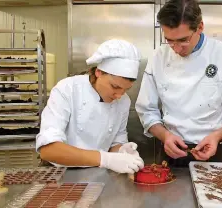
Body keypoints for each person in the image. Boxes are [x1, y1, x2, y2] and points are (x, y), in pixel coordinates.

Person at [135, 0, 222, 167]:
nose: (176, 49)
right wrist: (166, 136)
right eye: (170, 41)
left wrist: (216, 136)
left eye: (183, 40)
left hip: (214, 151)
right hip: (170, 151)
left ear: (200, 27)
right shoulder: (158, 56)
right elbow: (146, 110)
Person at [36, 39, 144, 173]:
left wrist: (123, 151)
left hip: (96, 173)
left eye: (126, 89)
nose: (119, 95)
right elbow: (48, 150)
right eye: (115, 87)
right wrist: (106, 159)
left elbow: (115, 143)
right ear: (99, 72)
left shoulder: (124, 101)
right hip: (57, 173)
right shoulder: (68, 89)